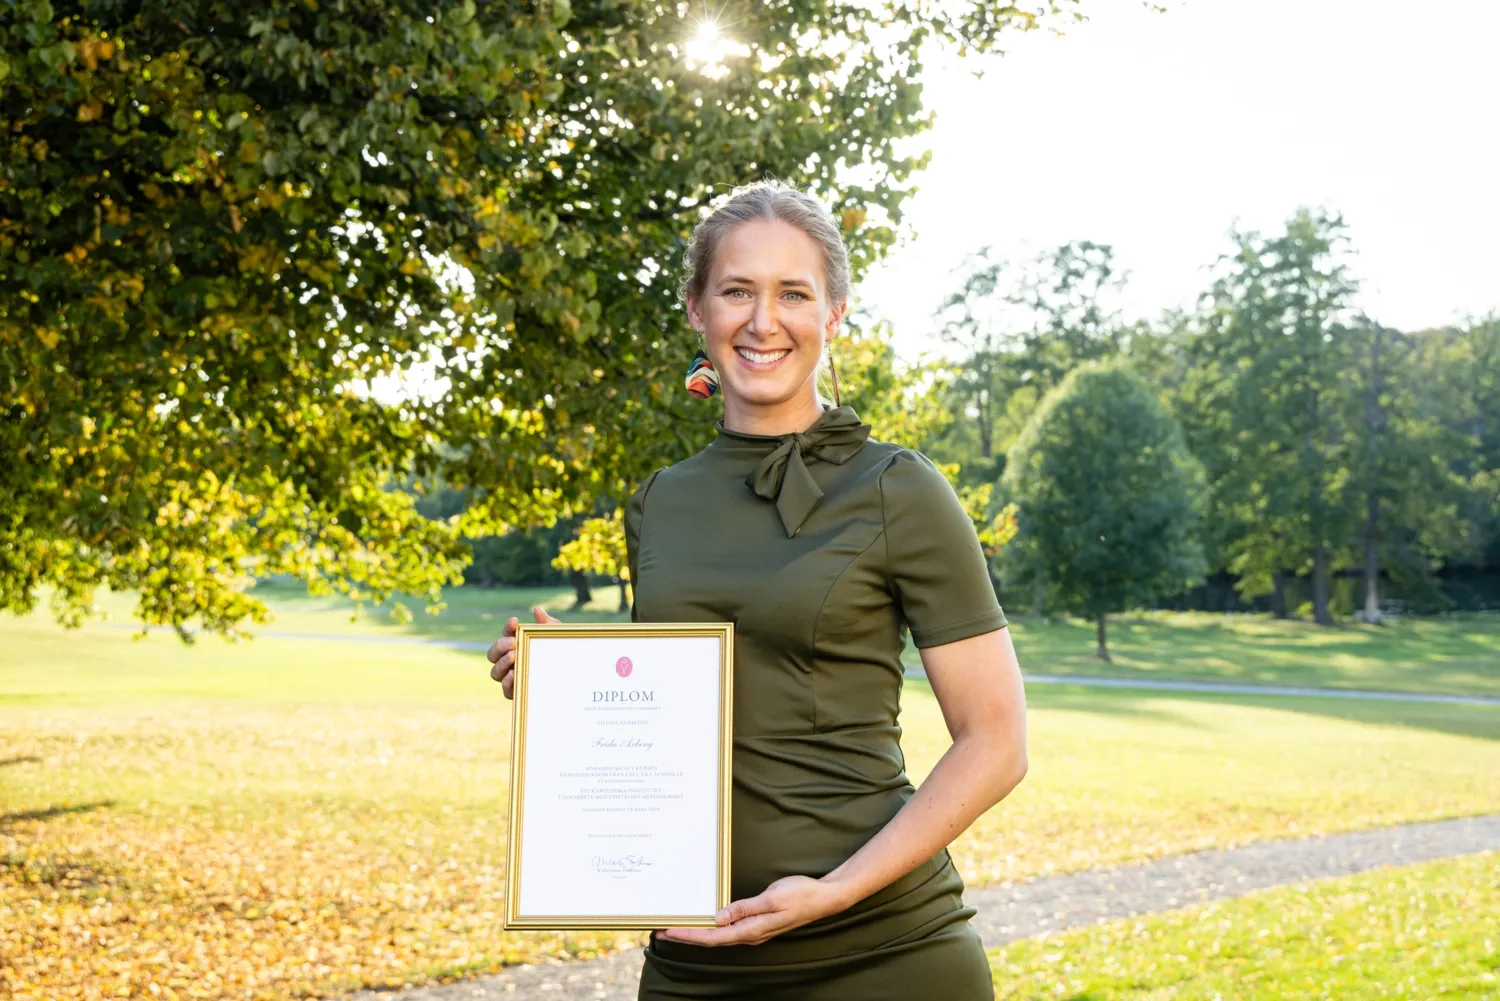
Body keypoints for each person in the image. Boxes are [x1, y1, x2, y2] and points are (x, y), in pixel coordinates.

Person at [488, 180, 1028, 1000]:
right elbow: (680, 715)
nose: (763, 319)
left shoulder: (901, 488)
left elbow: (996, 742)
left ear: (834, 313)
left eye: (793, 293)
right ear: (697, 310)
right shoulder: (660, 500)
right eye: (737, 290)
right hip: (693, 962)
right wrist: (568, 680)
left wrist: (836, 889)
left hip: (882, 951)